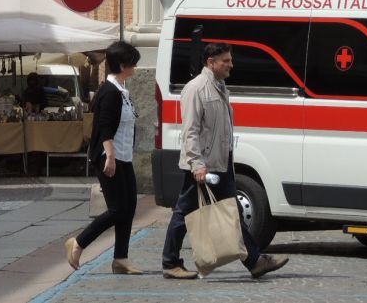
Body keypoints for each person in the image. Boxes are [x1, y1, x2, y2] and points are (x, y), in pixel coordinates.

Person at [161, 43, 288, 280]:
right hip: (204, 166)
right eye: (226, 61)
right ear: (211, 62)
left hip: (221, 163)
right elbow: (190, 130)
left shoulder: (219, 86)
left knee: (233, 212)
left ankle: (254, 261)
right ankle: (170, 262)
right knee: (184, 213)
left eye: (230, 60)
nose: (231, 64)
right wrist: (197, 164)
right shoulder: (196, 88)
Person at [65, 41, 143, 275]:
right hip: (110, 156)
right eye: (132, 63)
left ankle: (121, 258)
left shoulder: (122, 91)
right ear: (122, 65)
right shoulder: (109, 92)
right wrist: (109, 156)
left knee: (129, 207)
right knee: (118, 209)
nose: (135, 68)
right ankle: (78, 243)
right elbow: (104, 127)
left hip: (123, 156)